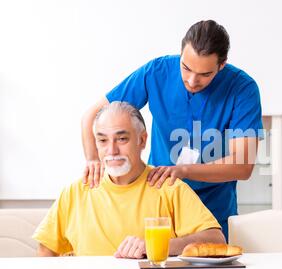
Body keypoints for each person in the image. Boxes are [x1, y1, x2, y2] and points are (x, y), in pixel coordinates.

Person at [81, 20, 263, 240]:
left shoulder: (242, 89)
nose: (192, 80)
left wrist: (183, 170)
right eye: (186, 68)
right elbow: (91, 116)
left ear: (221, 65)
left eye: (205, 74)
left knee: (209, 265)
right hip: (159, 198)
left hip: (212, 208)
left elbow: (242, 166)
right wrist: (93, 159)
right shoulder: (157, 72)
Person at [33, 102, 225, 258]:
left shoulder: (168, 187)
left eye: (122, 139)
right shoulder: (76, 192)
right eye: (103, 140)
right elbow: (46, 250)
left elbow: (216, 239)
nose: (112, 151)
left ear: (142, 140)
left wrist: (156, 246)